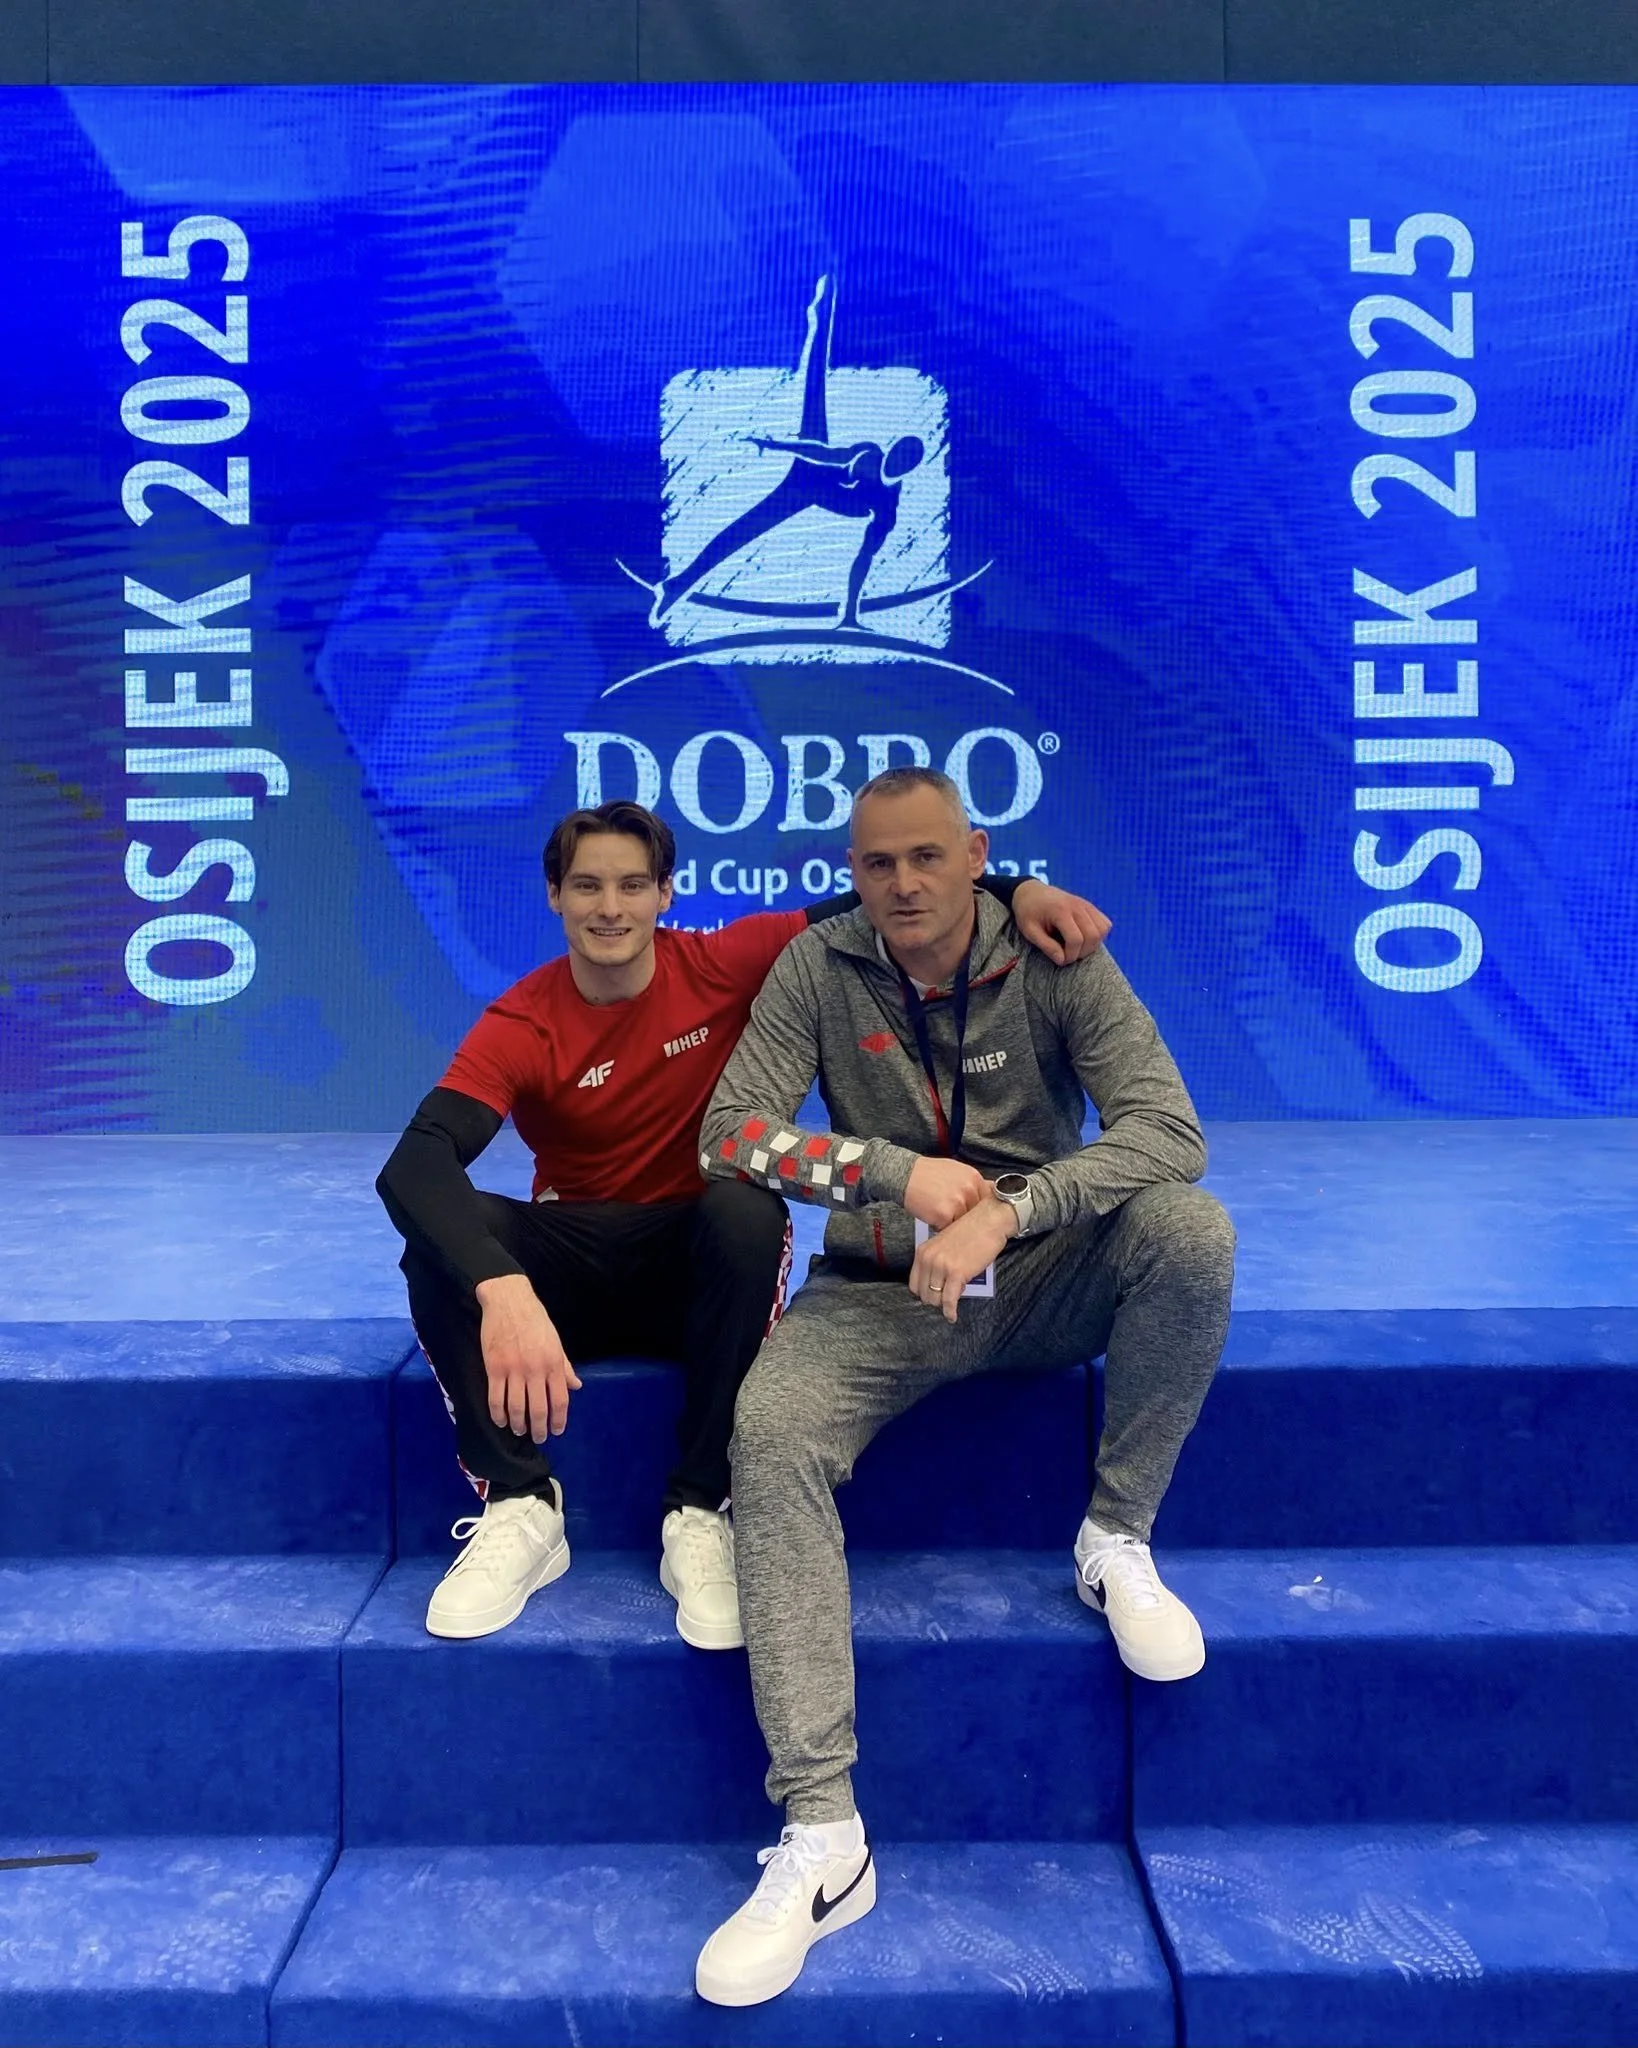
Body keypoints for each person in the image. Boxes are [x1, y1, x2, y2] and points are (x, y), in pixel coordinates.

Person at [690, 767, 1235, 2008]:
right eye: (878, 863)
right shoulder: (820, 965)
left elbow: (1169, 1130)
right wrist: (891, 1173)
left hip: (1044, 1276)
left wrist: (1014, 1206)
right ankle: (824, 1834)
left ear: (977, 854)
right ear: (853, 871)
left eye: (928, 856)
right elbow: (731, 1132)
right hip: (881, 1293)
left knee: (1189, 1232)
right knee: (770, 1427)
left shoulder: (1056, 951)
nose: (904, 883)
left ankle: (1116, 1536)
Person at [376, 798, 1111, 1650]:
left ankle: (699, 1510)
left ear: (666, 893)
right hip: (570, 1265)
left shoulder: (726, 962)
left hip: (698, 1271)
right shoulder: (522, 1020)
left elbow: (892, 898)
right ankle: (520, 1506)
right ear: (554, 896)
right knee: (441, 1234)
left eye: (632, 885)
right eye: (586, 887)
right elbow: (415, 1164)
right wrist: (502, 1286)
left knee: (744, 1202)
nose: (610, 908)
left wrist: (1018, 892)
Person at [650, 274, 922, 632]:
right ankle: (823, 314)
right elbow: (826, 455)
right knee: (814, 384)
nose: (894, 456)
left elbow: (863, 560)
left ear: (908, 468)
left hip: (809, 494)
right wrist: (777, 445)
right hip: (809, 472)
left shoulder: (887, 509)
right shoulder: (870, 454)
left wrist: (850, 614)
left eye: (902, 458)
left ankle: (676, 585)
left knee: (743, 531)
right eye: (897, 448)